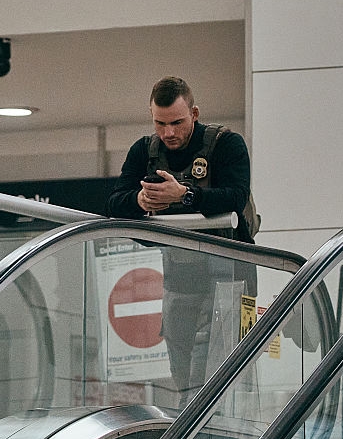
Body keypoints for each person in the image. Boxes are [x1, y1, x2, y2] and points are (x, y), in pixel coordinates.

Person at [107, 76, 255, 404]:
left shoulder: (227, 144)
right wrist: (140, 202)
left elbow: (235, 196)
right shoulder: (144, 151)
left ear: (195, 113)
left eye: (177, 122)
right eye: (160, 124)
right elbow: (114, 202)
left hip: (231, 278)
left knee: (224, 375)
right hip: (179, 278)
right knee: (185, 378)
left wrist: (185, 196)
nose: (169, 133)